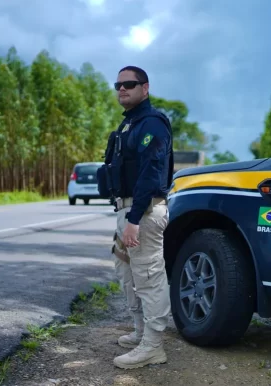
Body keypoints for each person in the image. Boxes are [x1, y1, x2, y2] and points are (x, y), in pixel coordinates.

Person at [107, 65, 174, 370]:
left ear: (145, 88)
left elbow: (152, 173)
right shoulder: (130, 124)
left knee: (148, 276)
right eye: (118, 85)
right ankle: (139, 333)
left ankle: (153, 346)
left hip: (144, 212)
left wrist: (133, 219)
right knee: (126, 273)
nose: (122, 89)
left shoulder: (152, 123)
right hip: (129, 210)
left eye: (129, 84)